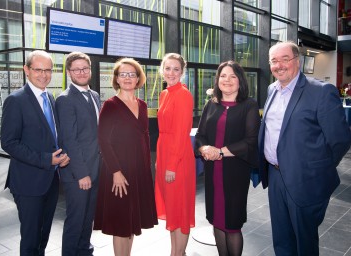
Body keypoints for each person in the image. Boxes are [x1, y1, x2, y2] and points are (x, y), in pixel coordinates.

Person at [258, 41, 351, 255]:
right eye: (274, 61)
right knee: (281, 238)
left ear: (297, 62)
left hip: (304, 179)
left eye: (285, 59)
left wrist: (315, 168)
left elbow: (340, 139)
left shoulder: (320, 91)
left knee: (304, 241)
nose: (279, 65)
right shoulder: (272, 88)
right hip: (275, 175)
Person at [0, 50, 70, 256]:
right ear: (26, 70)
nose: (44, 75)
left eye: (48, 70)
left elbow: (52, 136)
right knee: (30, 240)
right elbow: (9, 143)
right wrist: (46, 159)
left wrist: (62, 155)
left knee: (43, 236)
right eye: (38, 69)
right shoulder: (16, 100)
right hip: (28, 182)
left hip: (50, 181)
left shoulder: (50, 97)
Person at [194, 61, 260, 256]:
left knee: (232, 223)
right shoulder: (211, 104)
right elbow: (200, 135)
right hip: (213, 172)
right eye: (223, 76)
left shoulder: (249, 105)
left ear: (240, 81)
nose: (227, 80)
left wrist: (220, 151)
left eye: (233, 76)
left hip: (235, 172)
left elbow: (250, 141)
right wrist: (205, 147)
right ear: (217, 80)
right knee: (216, 219)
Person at [93, 57, 158, 256]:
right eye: (123, 74)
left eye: (132, 74)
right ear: (117, 79)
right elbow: (104, 141)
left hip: (139, 171)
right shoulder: (110, 105)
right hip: (119, 171)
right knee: (121, 223)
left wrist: (147, 170)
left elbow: (144, 139)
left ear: (138, 78)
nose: (128, 78)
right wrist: (116, 171)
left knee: (130, 223)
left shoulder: (143, 105)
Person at [55, 52, 101, 256]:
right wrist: (82, 174)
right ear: (69, 72)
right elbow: (69, 140)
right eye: (76, 69)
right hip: (78, 173)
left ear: (90, 70)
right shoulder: (65, 99)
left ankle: (85, 250)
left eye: (85, 68)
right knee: (76, 219)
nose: (81, 72)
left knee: (88, 217)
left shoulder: (95, 95)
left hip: (96, 168)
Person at [154, 53, 195, 256]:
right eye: (168, 68)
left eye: (176, 69)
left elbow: (181, 133)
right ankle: (176, 252)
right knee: (172, 209)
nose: (171, 73)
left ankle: (178, 253)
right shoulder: (165, 93)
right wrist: (160, 160)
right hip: (165, 154)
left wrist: (170, 164)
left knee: (180, 209)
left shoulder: (183, 94)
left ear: (182, 72)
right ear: (162, 70)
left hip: (177, 159)